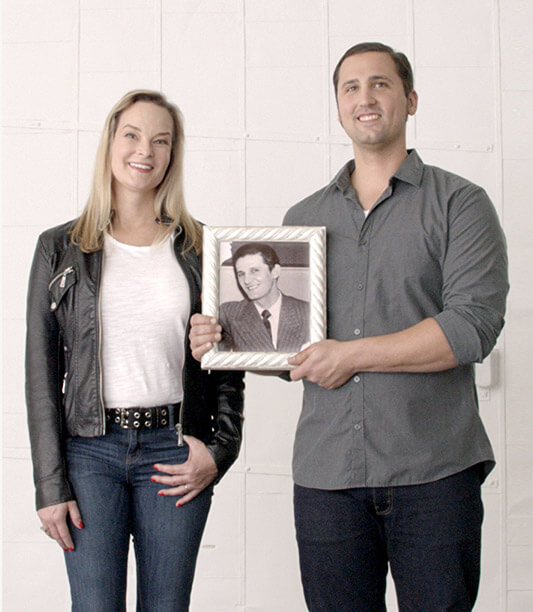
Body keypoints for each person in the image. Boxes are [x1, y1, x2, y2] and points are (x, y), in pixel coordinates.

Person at [190, 42, 509, 611]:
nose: (366, 98)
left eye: (381, 84)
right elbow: (296, 354)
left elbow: (471, 328)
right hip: (327, 478)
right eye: (351, 87)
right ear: (338, 107)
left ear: (410, 101)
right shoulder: (301, 221)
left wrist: (353, 355)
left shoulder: (461, 204)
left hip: (434, 473)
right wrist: (226, 341)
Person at [25, 89, 245, 611]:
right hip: (88, 452)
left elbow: (230, 367)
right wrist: (49, 486)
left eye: (161, 140)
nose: (145, 149)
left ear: (172, 155)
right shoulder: (59, 247)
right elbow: (41, 374)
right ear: (110, 142)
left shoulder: (201, 247)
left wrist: (220, 451)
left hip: (174, 451)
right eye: (132, 134)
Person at [218, 242, 309, 352]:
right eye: (241, 274)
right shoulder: (229, 314)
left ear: (275, 271)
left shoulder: (306, 311)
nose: (246, 280)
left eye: (255, 271)